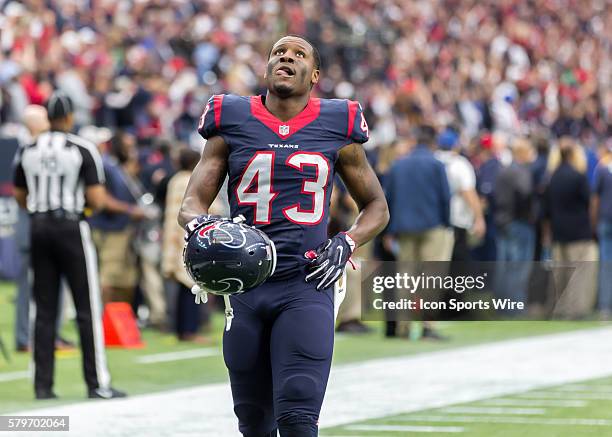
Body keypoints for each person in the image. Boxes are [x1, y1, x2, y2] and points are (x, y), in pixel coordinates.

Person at [178, 35, 389, 437]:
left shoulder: (337, 123)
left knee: (297, 414)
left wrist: (346, 240)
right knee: (253, 421)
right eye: (278, 52)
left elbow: (377, 207)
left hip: (306, 282)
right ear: (266, 68)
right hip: (246, 284)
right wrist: (203, 227)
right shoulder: (232, 117)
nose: (286, 57)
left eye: (298, 54)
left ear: (315, 75)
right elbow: (191, 204)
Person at [12, 91, 126, 400]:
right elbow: (97, 200)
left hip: (38, 226)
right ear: (71, 117)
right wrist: (80, 214)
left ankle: (42, 386)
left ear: (48, 117)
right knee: (86, 307)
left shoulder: (29, 148)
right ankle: (96, 383)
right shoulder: (82, 148)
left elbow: (20, 196)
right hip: (70, 226)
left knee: (44, 308)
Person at [162, 148, 210, 342]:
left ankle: (180, 328)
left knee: (182, 287)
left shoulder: (174, 180)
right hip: (189, 238)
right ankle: (190, 330)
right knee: (192, 285)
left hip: (173, 236)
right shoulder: (193, 181)